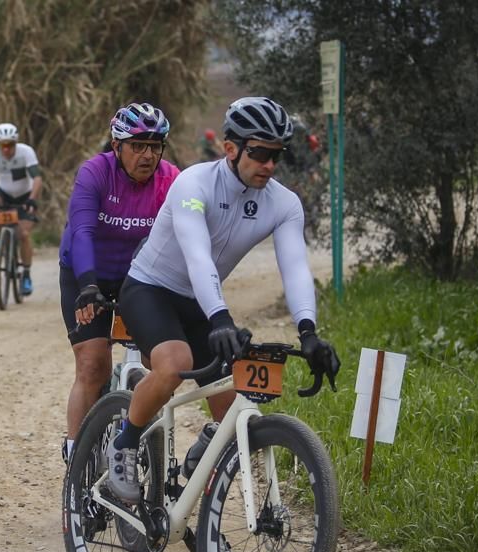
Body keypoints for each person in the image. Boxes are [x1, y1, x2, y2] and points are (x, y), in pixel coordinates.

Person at [107, 96, 341, 502]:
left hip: (201, 301)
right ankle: (124, 443)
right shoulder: (193, 184)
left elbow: (296, 268)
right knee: (175, 364)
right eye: (260, 153)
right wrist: (219, 318)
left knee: (233, 406)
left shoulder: (283, 204)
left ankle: (205, 519)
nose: (268, 164)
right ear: (230, 148)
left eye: (277, 155)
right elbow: (197, 256)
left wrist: (308, 332)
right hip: (150, 287)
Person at [59, 103, 179, 463]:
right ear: (117, 146)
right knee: (93, 364)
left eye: (155, 146)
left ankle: (140, 437)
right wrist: (87, 286)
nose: (148, 155)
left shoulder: (171, 180)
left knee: (161, 365)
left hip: (140, 279)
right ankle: (77, 455)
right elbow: (81, 231)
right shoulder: (95, 173)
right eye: (138, 145)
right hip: (86, 274)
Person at [0, 122, 43, 295]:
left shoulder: (26, 152)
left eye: (10, 145)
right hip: (3, 192)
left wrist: (33, 199)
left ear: (15, 143)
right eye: (2, 145)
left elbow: (37, 179)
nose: (6, 149)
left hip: (24, 196)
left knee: (23, 235)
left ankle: (26, 274)